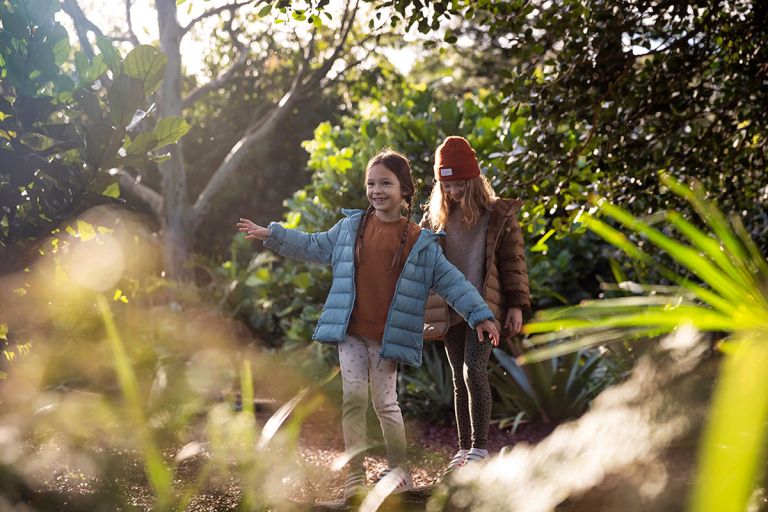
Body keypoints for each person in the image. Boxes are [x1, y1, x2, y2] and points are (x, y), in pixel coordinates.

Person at [237, 149, 500, 500]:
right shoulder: (350, 229)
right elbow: (314, 245)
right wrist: (272, 234)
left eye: (385, 183)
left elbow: (452, 282)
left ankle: (399, 473)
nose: (377, 190)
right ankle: (355, 477)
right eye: (371, 183)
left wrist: (479, 314)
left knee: (385, 404)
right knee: (353, 401)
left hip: (386, 339)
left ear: (404, 189)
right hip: (352, 334)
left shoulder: (420, 243)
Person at [421, 136, 530, 476]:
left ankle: (480, 448)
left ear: (473, 181)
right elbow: (419, 259)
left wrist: (516, 306)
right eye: (446, 184)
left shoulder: (497, 216)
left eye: (458, 184)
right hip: (450, 310)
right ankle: (464, 447)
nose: (452, 192)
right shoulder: (436, 219)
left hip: (487, 310)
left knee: (474, 370)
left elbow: (514, 263)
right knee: (458, 377)